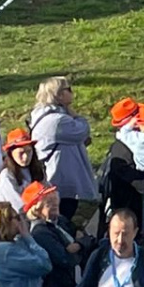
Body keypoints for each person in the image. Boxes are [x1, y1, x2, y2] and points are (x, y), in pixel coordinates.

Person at [30, 76, 96, 218]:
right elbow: (82, 130)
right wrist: (75, 115)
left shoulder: (45, 115)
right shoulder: (57, 121)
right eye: (68, 89)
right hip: (61, 179)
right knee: (63, 213)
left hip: (59, 174)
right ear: (58, 95)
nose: (72, 92)